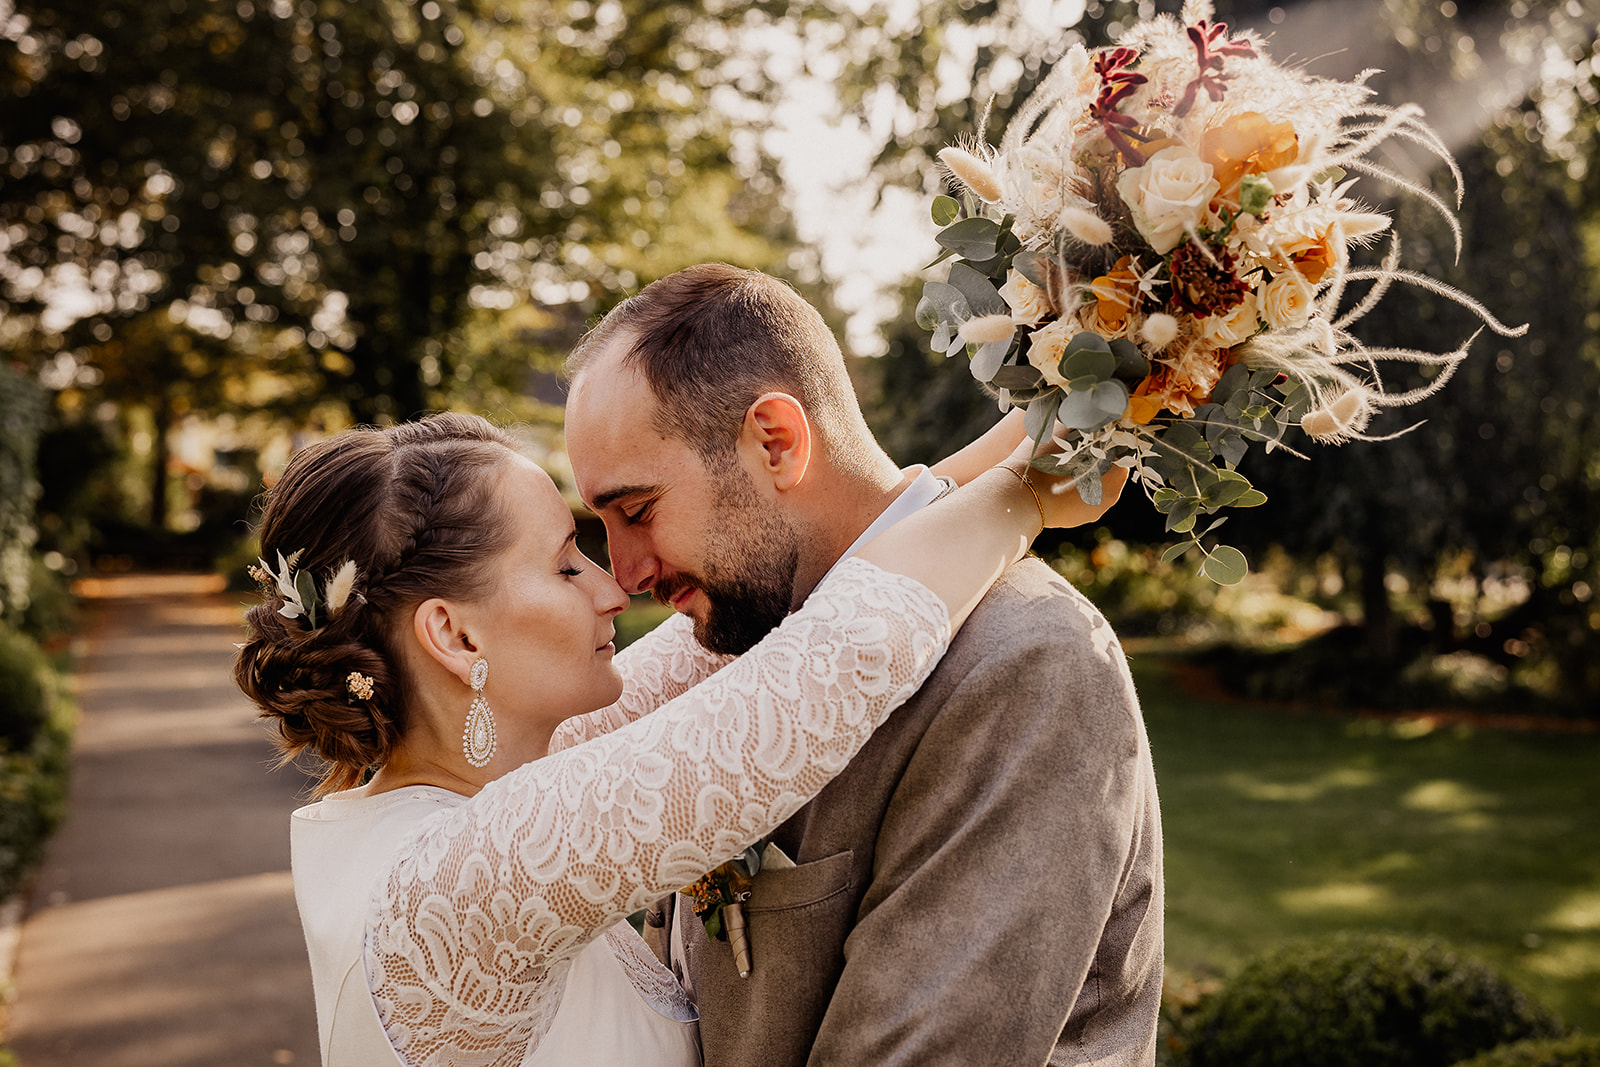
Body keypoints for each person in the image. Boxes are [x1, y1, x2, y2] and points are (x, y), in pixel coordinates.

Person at [232, 411, 1113, 1067]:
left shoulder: (464, 792)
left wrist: (1065, 400)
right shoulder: (462, 883)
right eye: (564, 563)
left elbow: (789, 620)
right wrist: (1029, 495)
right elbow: (834, 664)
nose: (613, 588)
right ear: (456, 636)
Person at [562, 263, 1164, 1066]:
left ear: (776, 442)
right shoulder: (737, 635)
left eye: (636, 512)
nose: (626, 572)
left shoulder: (1026, 664)